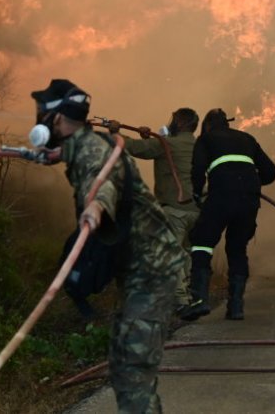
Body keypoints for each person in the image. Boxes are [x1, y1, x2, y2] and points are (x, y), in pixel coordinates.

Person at [30, 79, 183, 413]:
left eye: (42, 112)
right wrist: (56, 153)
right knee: (123, 359)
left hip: (152, 269)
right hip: (137, 265)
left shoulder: (94, 154)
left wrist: (95, 210)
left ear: (56, 120)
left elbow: (103, 183)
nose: (37, 118)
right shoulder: (85, 144)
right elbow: (87, 154)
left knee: (132, 368)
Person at [182, 108, 275, 321]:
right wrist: (247, 183)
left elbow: (197, 170)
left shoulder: (205, 139)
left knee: (201, 242)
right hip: (248, 200)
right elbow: (271, 172)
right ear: (227, 123)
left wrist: (197, 194)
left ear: (207, 125)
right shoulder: (247, 138)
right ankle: (236, 307)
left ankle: (199, 301)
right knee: (237, 247)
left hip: (221, 197)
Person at [110, 109, 201, 316]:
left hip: (174, 209)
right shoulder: (199, 145)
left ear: (180, 122)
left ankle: (182, 301)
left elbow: (132, 147)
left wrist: (114, 131)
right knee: (187, 254)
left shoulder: (166, 144)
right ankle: (192, 295)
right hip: (197, 210)